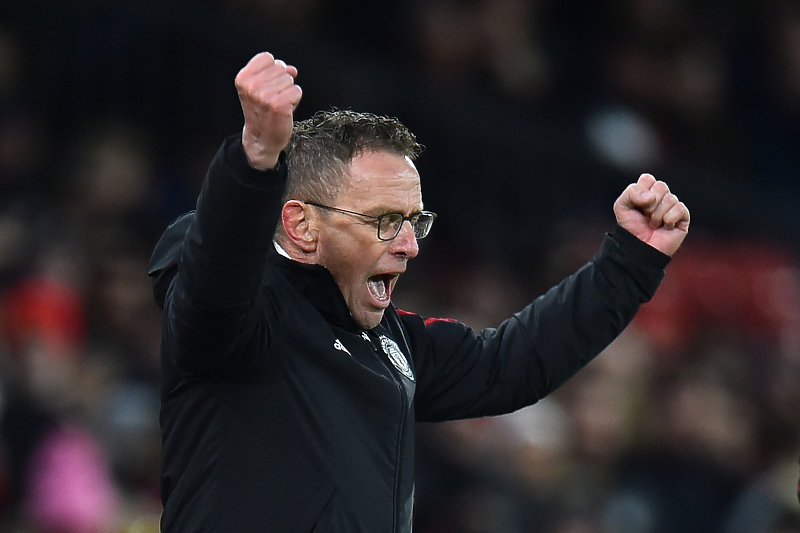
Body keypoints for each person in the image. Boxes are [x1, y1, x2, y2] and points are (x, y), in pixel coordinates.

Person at [148, 51, 690, 532]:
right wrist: (255, 160)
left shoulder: (395, 344)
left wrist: (629, 261)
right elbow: (214, 284)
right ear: (301, 226)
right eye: (385, 220)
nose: (409, 245)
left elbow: (509, 364)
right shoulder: (243, 319)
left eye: (415, 220)